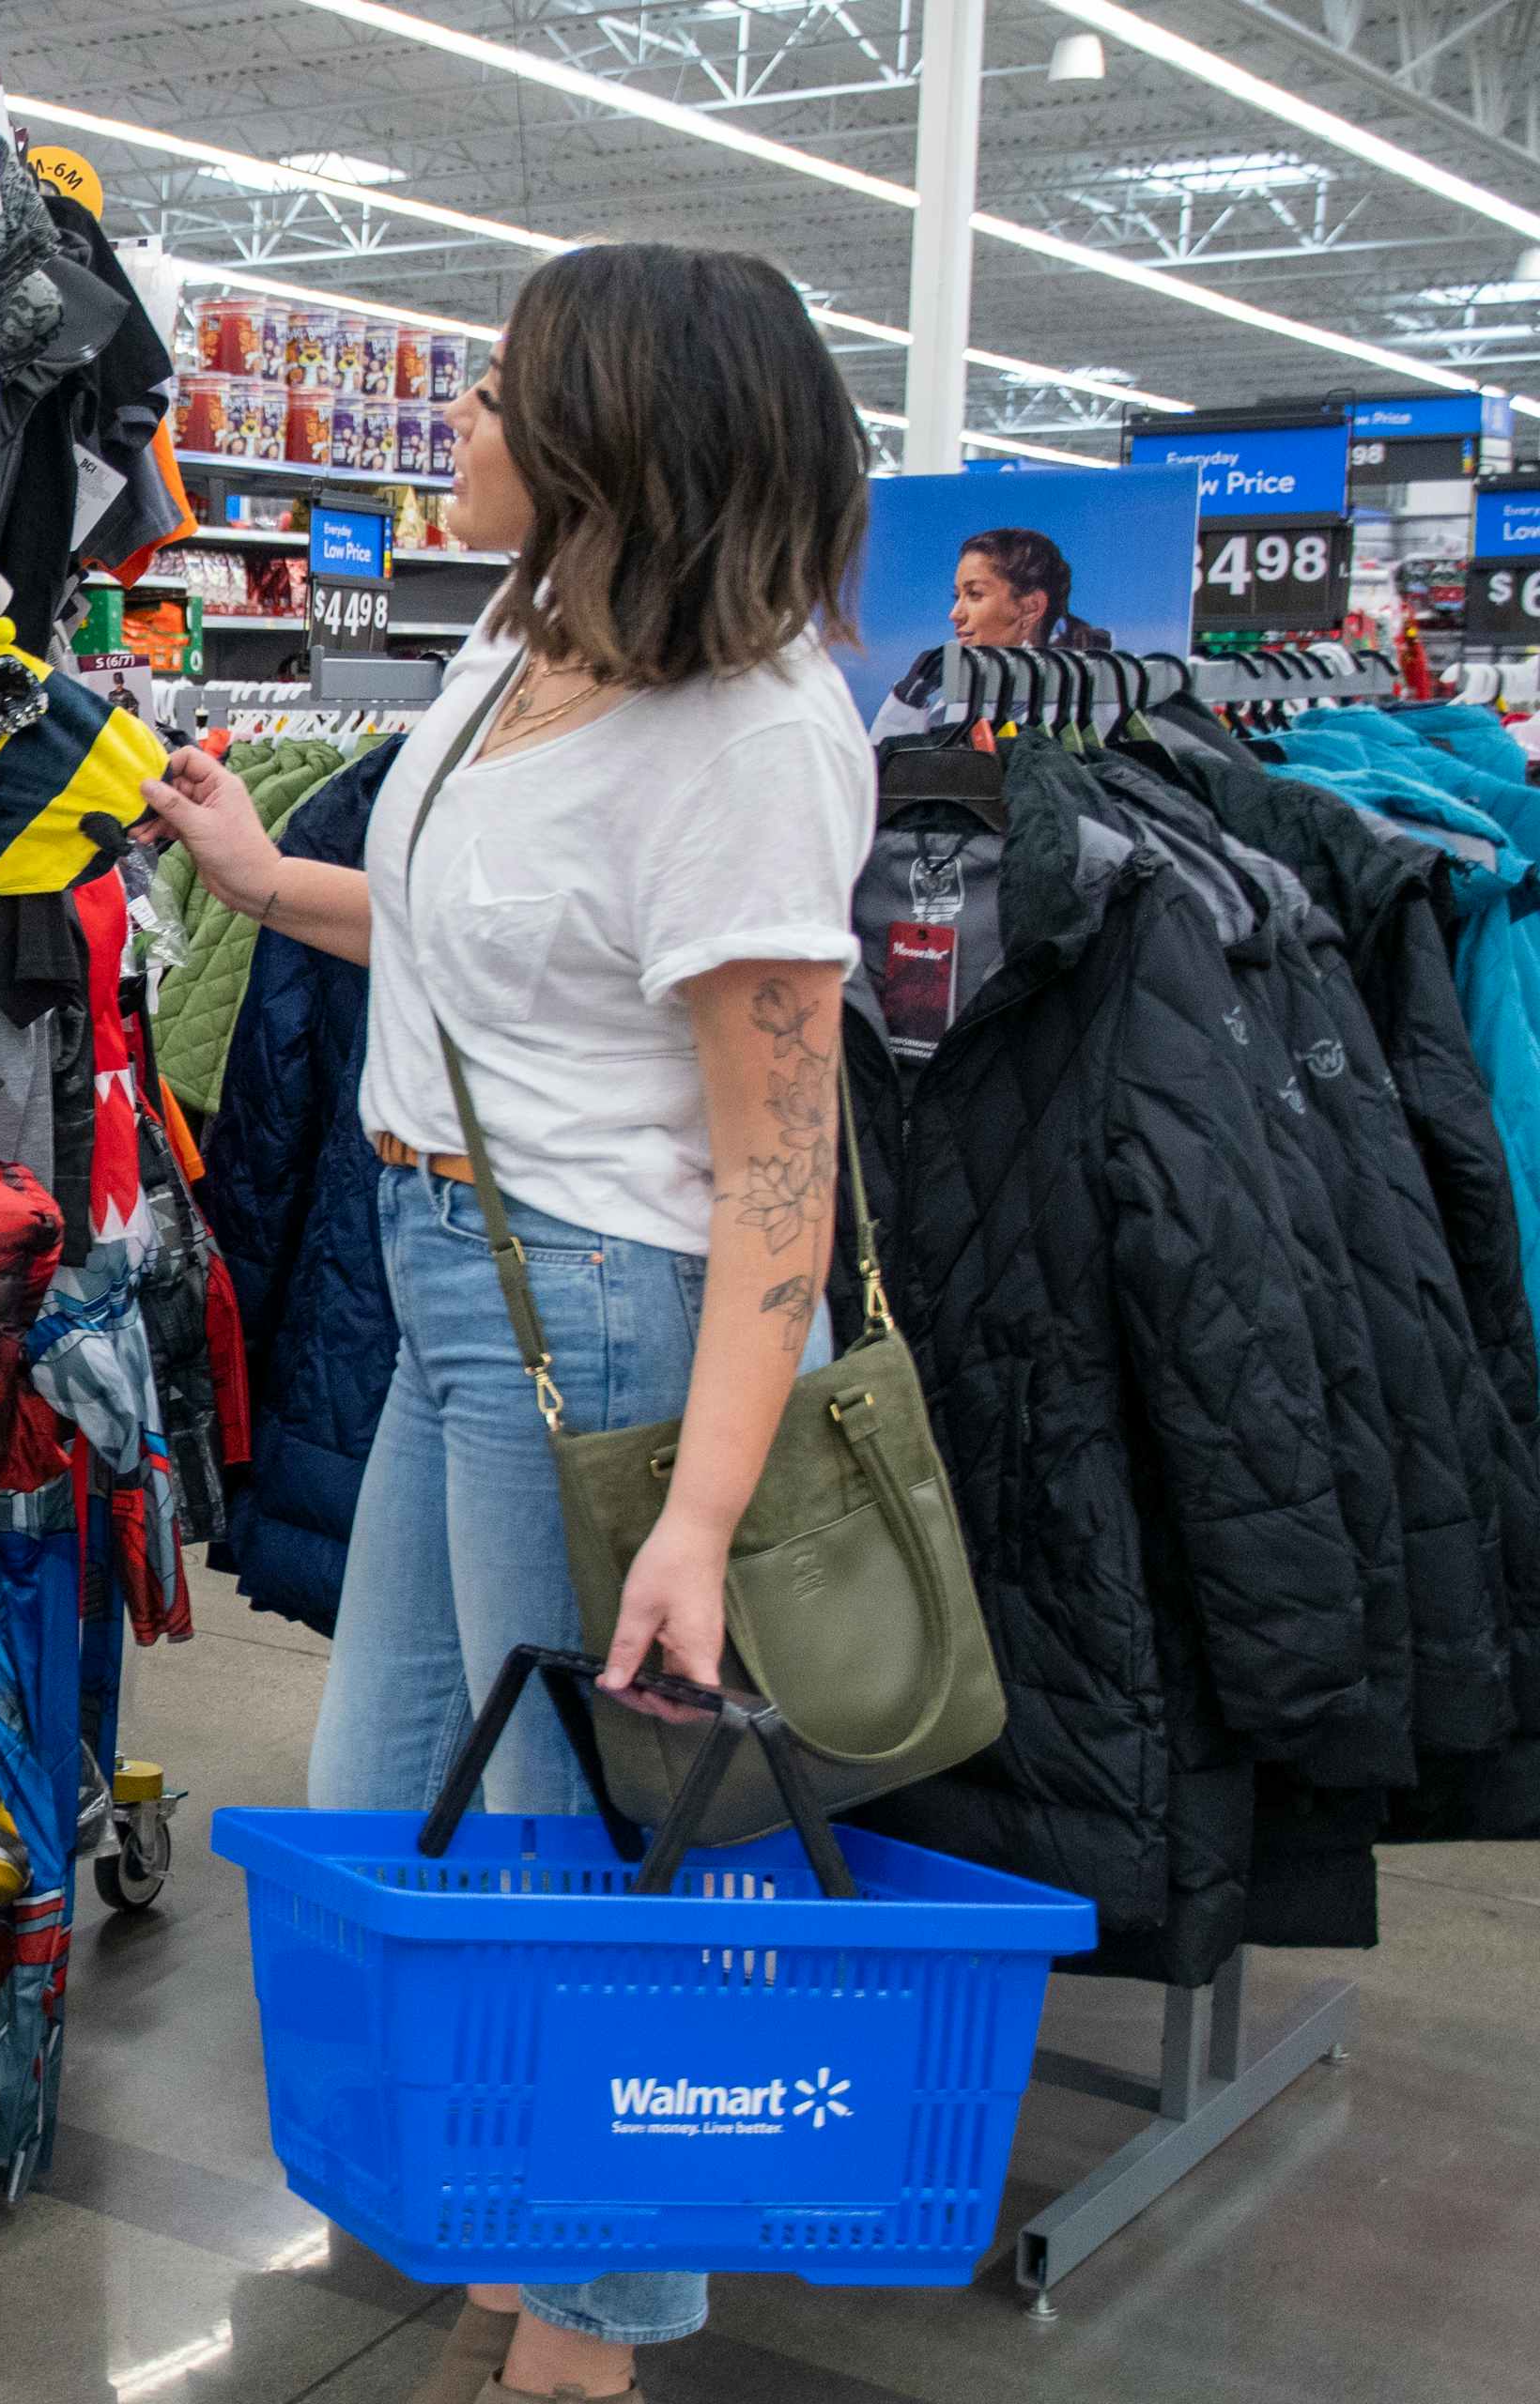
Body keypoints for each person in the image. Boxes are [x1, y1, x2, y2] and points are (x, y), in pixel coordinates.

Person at [139, 242, 872, 2404]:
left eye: (490, 398)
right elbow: (477, 956)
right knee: (405, 1811)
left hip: (622, 1323)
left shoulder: (744, 734)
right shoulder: (504, 648)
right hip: (455, 1294)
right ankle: (515, 2237)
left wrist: (701, 1511)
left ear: (606, 444)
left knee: (579, 1849)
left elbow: (776, 1170)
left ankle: (593, 2329)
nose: (444, 431)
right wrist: (263, 883)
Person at [872, 526, 1112, 732]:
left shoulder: (1092, 702)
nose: (955, 614)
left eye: (974, 594)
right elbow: (893, 772)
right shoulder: (970, 689)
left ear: (1031, 607)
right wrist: (908, 696)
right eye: (957, 596)